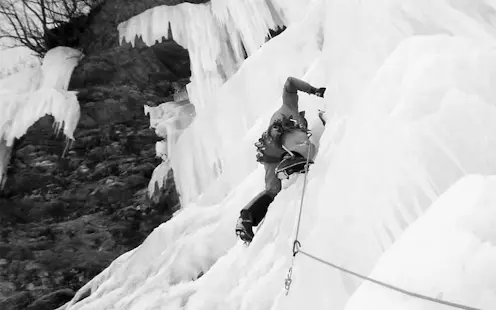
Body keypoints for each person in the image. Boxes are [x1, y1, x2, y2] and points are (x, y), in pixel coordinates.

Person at [235, 76, 326, 243]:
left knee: (272, 191)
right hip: (280, 133)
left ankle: (247, 219)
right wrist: (314, 90)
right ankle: (293, 161)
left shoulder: (294, 123)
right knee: (308, 149)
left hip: (270, 152)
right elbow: (290, 82)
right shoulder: (289, 106)